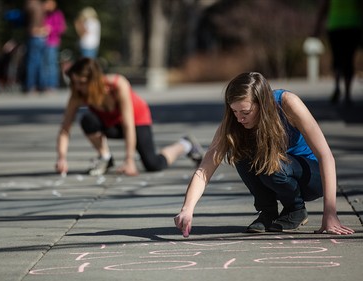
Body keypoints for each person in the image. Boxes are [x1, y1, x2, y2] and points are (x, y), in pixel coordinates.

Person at [174, 72, 355, 236]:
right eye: (234, 111)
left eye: (245, 112)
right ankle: (268, 212)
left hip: (310, 177)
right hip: (276, 172)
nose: (239, 118)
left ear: (263, 104)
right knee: (240, 153)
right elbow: (205, 169)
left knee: (272, 163)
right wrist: (187, 209)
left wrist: (330, 214)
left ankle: (295, 210)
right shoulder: (234, 122)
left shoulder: (287, 103)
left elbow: (326, 156)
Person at [55, 58, 204, 176]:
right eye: (74, 83)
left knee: (153, 164)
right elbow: (65, 129)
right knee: (88, 120)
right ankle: (105, 157)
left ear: (94, 80)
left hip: (137, 120)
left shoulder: (117, 84)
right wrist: (61, 158)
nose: (78, 87)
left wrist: (129, 160)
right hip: (112, 124)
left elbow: (128, 124)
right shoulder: (78, 95)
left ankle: (185, 144)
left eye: (81, 83)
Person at [314, 0, 363, 105]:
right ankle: (347, 93)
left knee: (337, 58)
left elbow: (323, 8)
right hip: (352, 25)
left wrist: (317, 28)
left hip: (335, 26)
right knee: (349, 59)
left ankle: (337, 86)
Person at [23, 0, 48, 93]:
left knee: (32, 62)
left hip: (34, 34)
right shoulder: (40, 6)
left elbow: (26, 18)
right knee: (40, 62)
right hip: (41, 35)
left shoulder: (31, 5)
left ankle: (31, 85)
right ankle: (41, 85)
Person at [43, 0, 66, 91]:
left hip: (53, 41)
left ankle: (52, 84)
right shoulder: (45, 14)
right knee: (45, 64)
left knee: (51, 64)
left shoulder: (57, 14)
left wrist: (50, 29)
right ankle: (45, 84)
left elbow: (61, 28)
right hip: (44, 42)